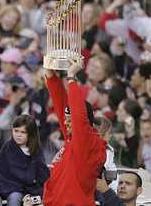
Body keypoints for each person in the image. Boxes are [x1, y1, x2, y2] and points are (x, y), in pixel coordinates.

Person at [43, 60, 106, 206]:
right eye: (66, 119)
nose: (65, 123)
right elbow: (62, 106)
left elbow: (78, 116)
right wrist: (51, 77)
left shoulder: (88, 141)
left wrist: (71, 77)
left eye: (70, 120)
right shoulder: (74, 139)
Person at [0, 115, 49, 206]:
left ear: (31, 134)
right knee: (12, 197)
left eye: (23, 132)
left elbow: (42, 174)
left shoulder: (36, 150)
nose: (18, 135)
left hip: (28, 190)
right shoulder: (7, 146)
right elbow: (1, 173)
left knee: (21, 199)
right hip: (7, 186)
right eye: (16, 131)